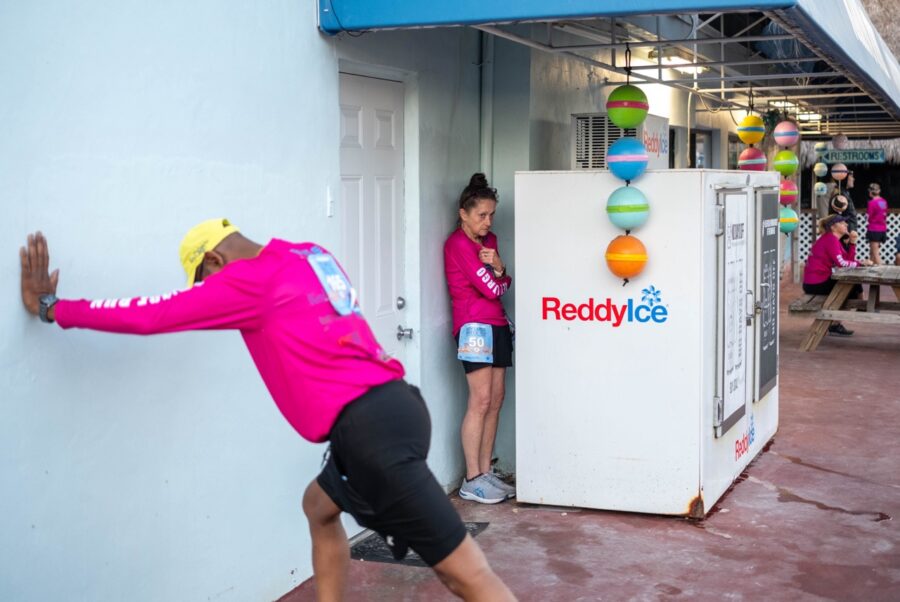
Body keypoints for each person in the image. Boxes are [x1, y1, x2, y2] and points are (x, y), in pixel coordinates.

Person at [20, 222, 516, 602]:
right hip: (394, 407)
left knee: (463, 572)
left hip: (370, 430)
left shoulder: (244, 283)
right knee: (319, 507)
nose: (205, 293)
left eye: (203, 280)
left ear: (214, 258)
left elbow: (152, 314)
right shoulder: (309, 254)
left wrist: (51, 308)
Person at [443, 174, 515, 505]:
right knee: (480, 401)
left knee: (496, 399)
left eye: (491, 215)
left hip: (498, 323)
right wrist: (499, 277)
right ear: (464, 214)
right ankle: (472, 478)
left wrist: (498, 266)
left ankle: (485, 471)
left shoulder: (490, 243)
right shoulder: (458, 245)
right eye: (481, 215)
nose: (487, 222)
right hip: (473, 327)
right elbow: (492, 289)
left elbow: (502, 282)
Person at [802, 214, 873, 336]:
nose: (846, 224)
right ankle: (858, 310)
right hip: (816, 283)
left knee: (853, 284)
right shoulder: (830, 239)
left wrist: (852, 243)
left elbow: (847, 259)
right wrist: (860, 263)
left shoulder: (833, 239)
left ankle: (858, 310)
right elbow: (842, 264)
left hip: (817, 281)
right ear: (833, 227)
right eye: (842, 223)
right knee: (851, 287)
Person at [865, 182, 888, 264]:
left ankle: (881, 272)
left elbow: (868, 217)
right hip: (882, 229)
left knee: (875, 253)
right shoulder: (884, 201)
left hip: (874, 229)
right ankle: (871, 269)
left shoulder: (871, 203)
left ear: (870, 192)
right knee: (872, 252)